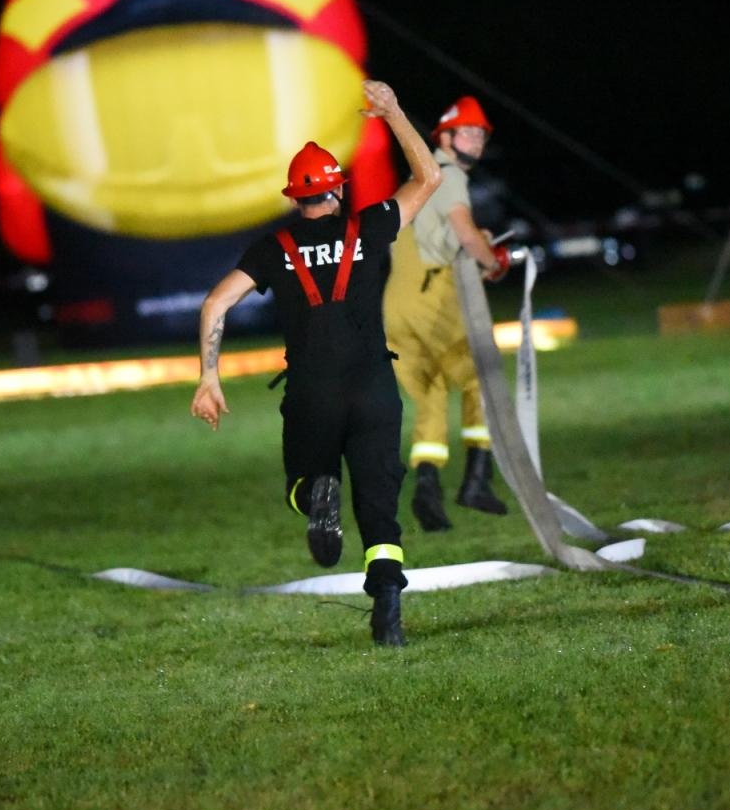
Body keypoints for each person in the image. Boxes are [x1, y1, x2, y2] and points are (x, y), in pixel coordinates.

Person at [191, 79, 440, 646]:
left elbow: (216, 302)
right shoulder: (371, 226)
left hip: (311, 391)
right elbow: (429, 178)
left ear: (293, 197)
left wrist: (209, 376)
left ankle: (315, 492)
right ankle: (388, 613)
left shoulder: (272, 248)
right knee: (380, 504)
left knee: (301, 479)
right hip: (374, 385)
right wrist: (394, 111)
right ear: (338, 190)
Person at [383, 95, 514, 532]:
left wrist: (474, 240)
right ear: (447, 137)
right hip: (433, 299)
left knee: (431, 396)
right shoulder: (449, 175)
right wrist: (492, 260)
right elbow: (462, 230)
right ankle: (477, 479)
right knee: (483, 376)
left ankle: (427, 491)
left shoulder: (416, 179)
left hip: (395, 305)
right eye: (470, 132)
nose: (477, 140)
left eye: (481, 133)